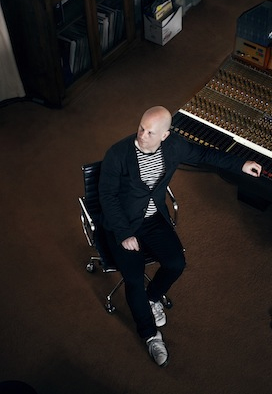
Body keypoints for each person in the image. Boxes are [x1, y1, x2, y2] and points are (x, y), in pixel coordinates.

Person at [99, 105, 262, 367]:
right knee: (133, 279)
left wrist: (241, 163)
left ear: (165, 135)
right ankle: (150, 335)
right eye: (141, 128)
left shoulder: (174, 146)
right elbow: (107, 196)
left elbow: (205, 154)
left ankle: (153, 298)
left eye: (150, 132)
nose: (142, 135)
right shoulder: (117, 153)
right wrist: (124, 233)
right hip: (123, 224)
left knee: (176, 263)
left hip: (153, 219)